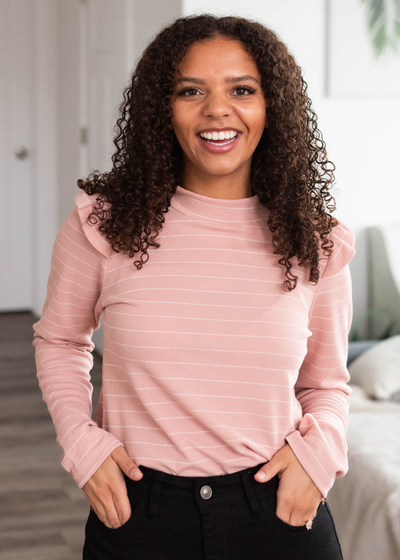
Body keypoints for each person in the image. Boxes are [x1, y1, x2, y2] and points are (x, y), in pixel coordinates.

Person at [32, 14, 356, 560]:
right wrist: (81, 443)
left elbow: (325, 384)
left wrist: (321, 454)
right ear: (165, 106)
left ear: (271, 105)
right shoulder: (103, 224)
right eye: (191, 91)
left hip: (278, 511)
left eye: (242, 89)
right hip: (140, 517)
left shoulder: (315, 240)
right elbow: (60, 341)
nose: (217, 110)